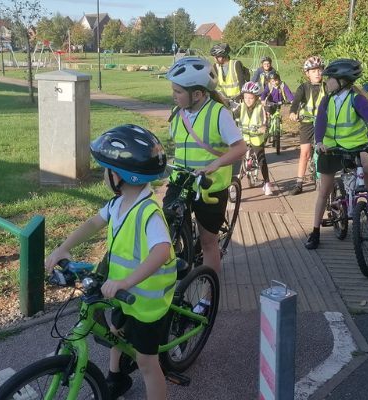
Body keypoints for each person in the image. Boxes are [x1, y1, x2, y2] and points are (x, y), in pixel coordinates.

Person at [44, 125, 176, 400]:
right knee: (116, 330)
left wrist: (126, 281)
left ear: (118, 175)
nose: (104, 174)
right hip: (122, 292)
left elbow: (162, 251)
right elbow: (93, 223)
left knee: (148, 364)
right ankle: (116, 376)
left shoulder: (148, 212)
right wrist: (64, 247)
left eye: (104, 169)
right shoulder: (118, 203)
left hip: (145, 302)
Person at [164, 56, 247, 276]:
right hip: (181, 182)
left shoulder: (219, 114)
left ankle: (209, 297)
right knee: (167, 229)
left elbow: (240, 148)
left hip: (209, 187)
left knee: (208, 242)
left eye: (178, 91)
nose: (173, 95)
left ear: (198, 94)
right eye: (173, 90)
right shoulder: (177, 114)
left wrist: (215, 164)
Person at [305, 59, 368, 250]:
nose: (326, 81)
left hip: (354, 147)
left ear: (342, 81)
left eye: (330, 78)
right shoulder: (327, 101)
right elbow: (320, 123)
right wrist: (319, 142)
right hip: (329, 149)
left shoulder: (356, 99)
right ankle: (315, 232)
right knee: (324, 191)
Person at [288, 56, 326, 195]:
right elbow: (296, 101)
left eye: (319, 70)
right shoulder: (304, 87)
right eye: (313, 70)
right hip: (307, 122)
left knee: (326, 149)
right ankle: (299, 183)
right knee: (305, 153)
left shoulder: (326, 87)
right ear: (307, 73)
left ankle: (327, 178)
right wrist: (293, 112)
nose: (317, 73)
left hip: (323, 122)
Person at [233, 81, 273, 196]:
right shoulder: (240, 107)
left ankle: (266, 183)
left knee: (261, 159)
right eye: (245, 97)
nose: (248, 100)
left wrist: (263, 127)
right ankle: (233, 181)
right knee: (235, 158)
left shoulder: (261, 108)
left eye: (251, 98)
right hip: (243, 138)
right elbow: (231, 116)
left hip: (256, 138)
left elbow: (264, 121)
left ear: (256, 98)